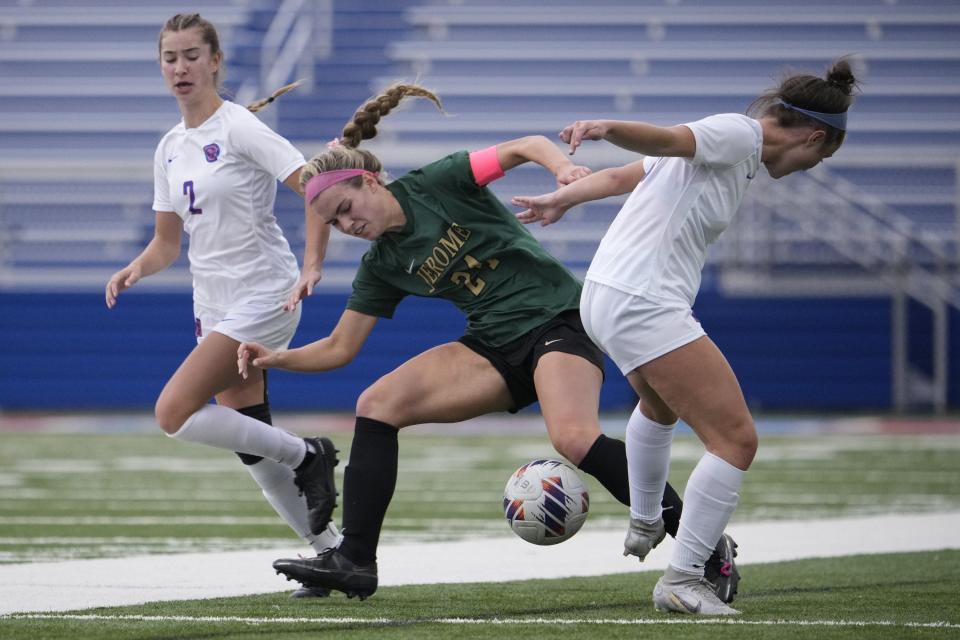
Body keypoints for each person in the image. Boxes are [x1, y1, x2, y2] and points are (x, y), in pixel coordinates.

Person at [237, 82, 739, 601]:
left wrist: (562, 171)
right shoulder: (381, 264)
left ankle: (703, 547)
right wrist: (275, 359)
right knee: (376, 405)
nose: (347, 224)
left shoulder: (438, 181)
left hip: (558, 321)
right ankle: (355, 561)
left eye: (345, 207)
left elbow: (525, 145)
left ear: (369, 180)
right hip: (492, 344)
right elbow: (340, 348)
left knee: (572, 438)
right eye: (334, 222)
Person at [510, 59, 859, 615]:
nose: (810, 166)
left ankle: (646, 520)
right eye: (819, 155)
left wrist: (563, 199)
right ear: (814, 136)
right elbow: (667, 139)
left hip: (607, 293)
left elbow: (633, 175)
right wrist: (608, 128)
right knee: (737, 441)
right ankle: (684, 577)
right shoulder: (741, 133)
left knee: (658, 406)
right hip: (643, 299)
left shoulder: (736, 151)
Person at [104, 13, 340, 598]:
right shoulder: (169, 147)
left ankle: (311, 454)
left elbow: (316, 187)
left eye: (191, 55)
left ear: (215, 62)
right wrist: (138, 266)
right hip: (213, 303)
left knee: (173, 412)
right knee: (250, 447)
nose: (180, 68)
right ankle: (334, 555)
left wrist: (313, 264)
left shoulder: (238, 128)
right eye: (170, 58)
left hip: (264, 293)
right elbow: (166, 244)